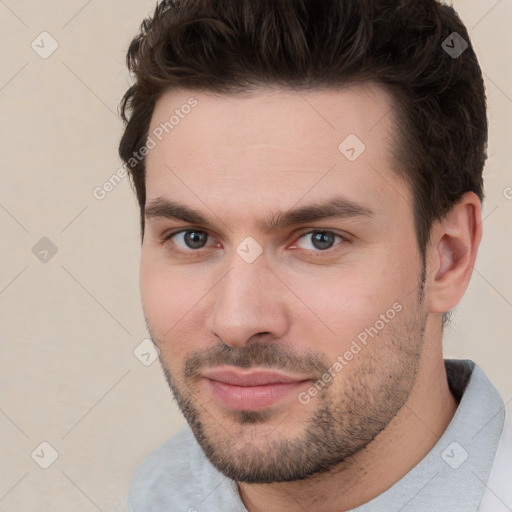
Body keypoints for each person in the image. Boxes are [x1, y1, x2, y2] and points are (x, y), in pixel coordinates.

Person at [118, 0, 511, 510]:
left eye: (319, 239)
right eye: (193, 237)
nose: (237, 320)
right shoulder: (157, 491)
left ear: (448, 257)